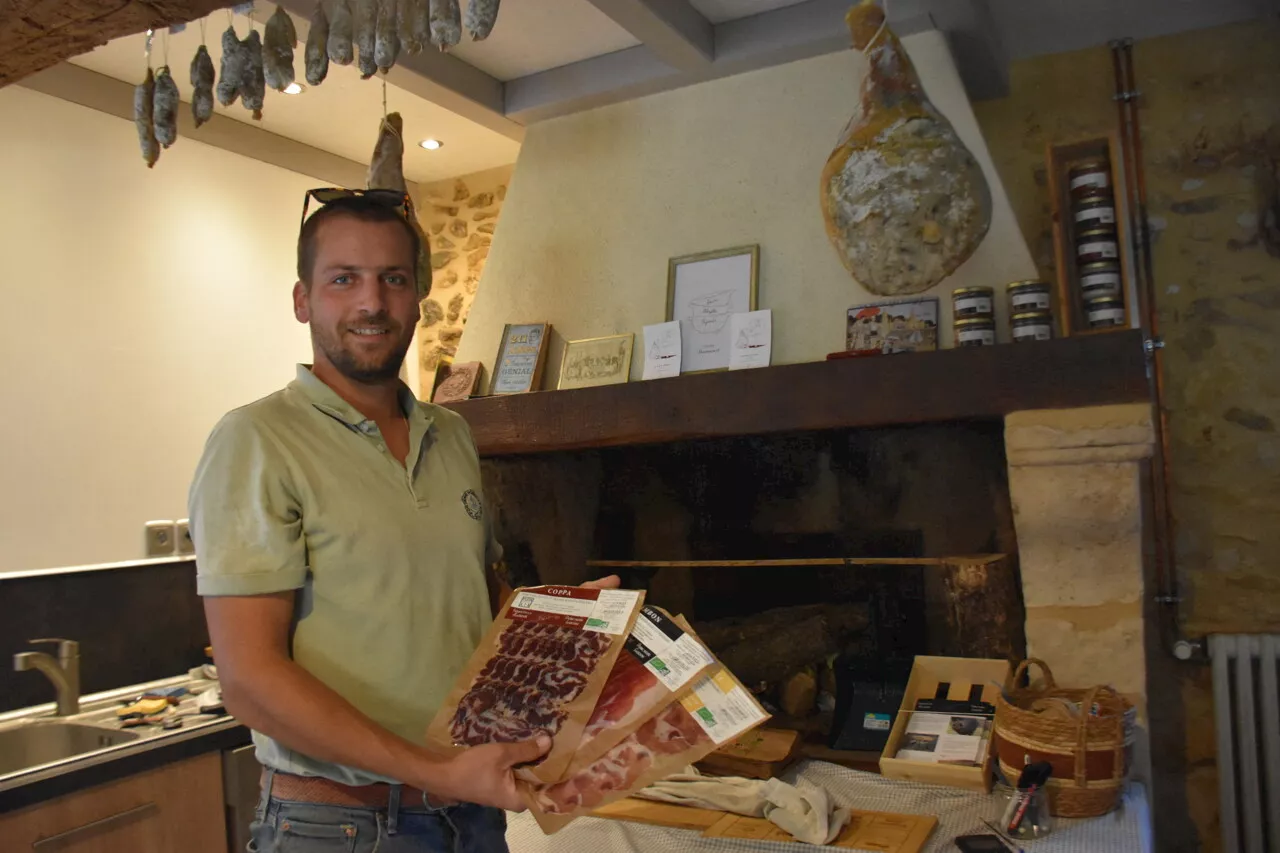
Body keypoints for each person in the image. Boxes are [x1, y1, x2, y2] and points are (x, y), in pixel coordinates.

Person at [189, 190, 616, 852]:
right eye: (343, 279)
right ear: (303, 300)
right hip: (341, 828)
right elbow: (249, 680)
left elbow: (471, 602)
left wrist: (556, 622)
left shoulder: (452, 435)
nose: (371, 302)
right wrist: (439, 769)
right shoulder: (256, 439)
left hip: (470, 818)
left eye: (393, 278)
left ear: (416, 297)